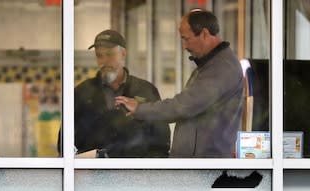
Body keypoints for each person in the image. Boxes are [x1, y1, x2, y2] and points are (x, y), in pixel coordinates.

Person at [119, 9, 244, 158]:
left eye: (186, 39)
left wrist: (140, 109)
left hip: (205, 169)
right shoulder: (209, 66)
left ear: (204, 34)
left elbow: (184, 106)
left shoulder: (222, 67)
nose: (184, 46)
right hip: (197, 167)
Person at [60, 29, 170, 158]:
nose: (104, 61)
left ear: (123, 54)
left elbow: (161, 139)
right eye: (99, 56)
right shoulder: (82, 92)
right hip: (94, 174)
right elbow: (65, 140)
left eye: (109, 54)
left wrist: (149, 172)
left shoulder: (145, 90)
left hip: (136, 173)